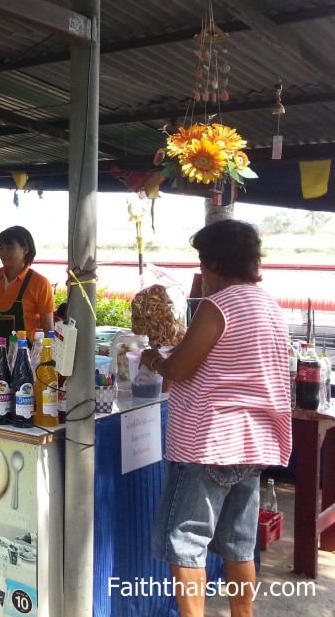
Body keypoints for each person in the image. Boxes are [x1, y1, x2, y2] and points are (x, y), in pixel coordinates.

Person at [139, 219, 291, 617]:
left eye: (203, 262)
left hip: (207, 443)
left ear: (212, 263)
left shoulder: (217, 305)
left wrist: (151, 357)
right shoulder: (269, 305)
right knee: (239, 543)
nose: (201, 271)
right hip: (253, 443)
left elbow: (179, 371)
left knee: (187, 541)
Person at [0, 225, 54, 341]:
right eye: (1, 247)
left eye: (9, 248)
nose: (3, 252)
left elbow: (48, 328)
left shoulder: (40, 283)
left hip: (25, 354)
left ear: (26, 250)